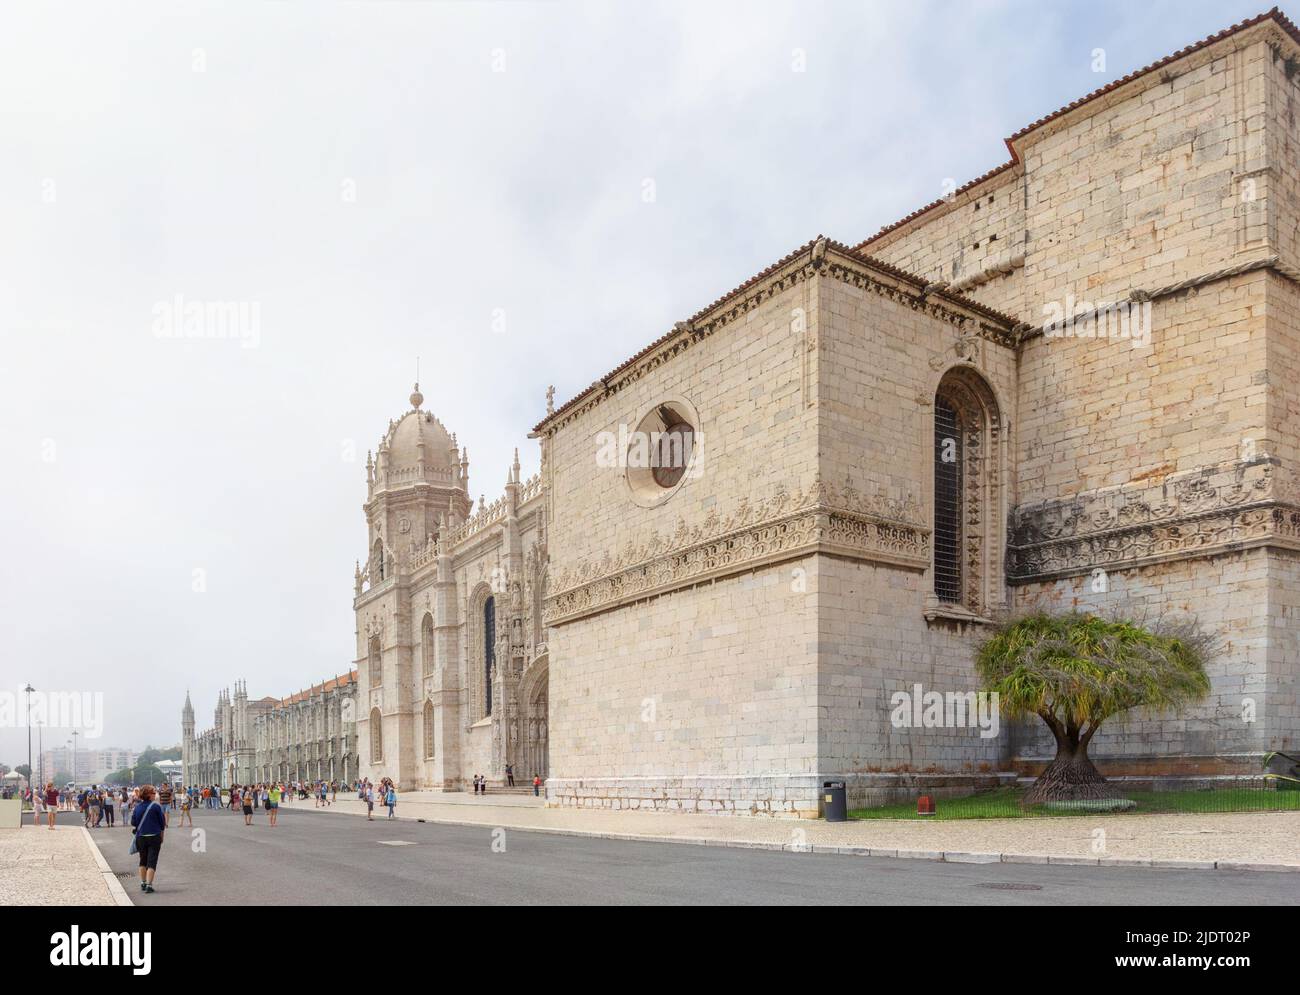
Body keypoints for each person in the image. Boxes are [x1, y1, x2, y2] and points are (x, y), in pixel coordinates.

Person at [130, 784, 167, 895]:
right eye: (153, 792)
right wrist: (162, 836)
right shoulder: (156, 807)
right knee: (152, 861)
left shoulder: (137, 807)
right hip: (154, 836)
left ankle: (143, 882)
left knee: (143, 860)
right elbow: (162, 823)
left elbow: (133, 822)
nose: (155, 794)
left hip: (141, 837)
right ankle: (149, 885)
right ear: (148, 795)